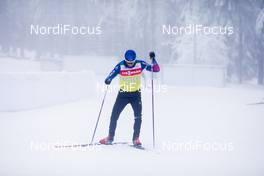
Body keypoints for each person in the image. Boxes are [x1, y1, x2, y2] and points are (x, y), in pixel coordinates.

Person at [99, 50, 160, 146]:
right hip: (123, 95)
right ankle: (110, 137)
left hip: (135, 95)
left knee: (138, 117)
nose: (130, 64)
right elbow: (111, 74)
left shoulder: (140, 64)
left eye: (132, 63)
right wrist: (108, 79)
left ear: (135, 60)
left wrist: (153, 59)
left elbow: (156, 69)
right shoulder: (121, 65)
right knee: (114, 115)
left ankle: (136, 139)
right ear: (125, 60)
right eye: (128, 62)